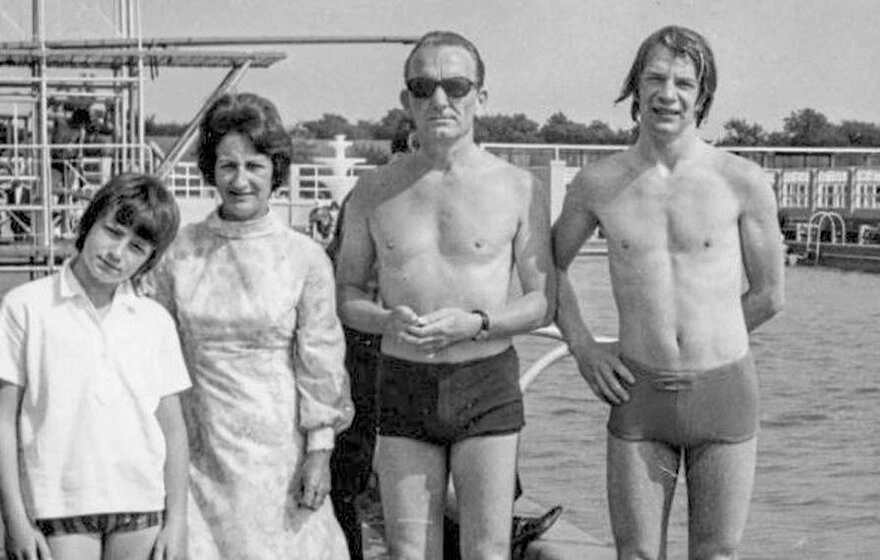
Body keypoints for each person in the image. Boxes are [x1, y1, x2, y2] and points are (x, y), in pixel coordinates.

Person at [553, 25, 785, 559]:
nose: (668, 93)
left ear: (702, 96)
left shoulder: (742, 180)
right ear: (635, 89)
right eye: (655, 78)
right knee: (634, 555)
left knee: (716, 554)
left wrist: (707, 337)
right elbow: (547, 269)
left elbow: (770, 294)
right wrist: (584, 348)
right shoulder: (598, 184)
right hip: (638, 391)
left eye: (684, 82)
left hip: (723, 389)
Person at [336, 30, 555, 560]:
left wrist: (477, 323)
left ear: (482, 96)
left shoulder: (519, 187)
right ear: (406, 99)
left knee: (487, 549)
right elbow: (346, 295)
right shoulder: (372, 191)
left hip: (485, 379)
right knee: (411, 549)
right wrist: (384, 320)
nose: (440, 100)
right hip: (403, 381)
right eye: (424, 85)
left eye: (456, 85)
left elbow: (542, 300)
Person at [147, 92, 354, 559]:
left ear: (275, 171)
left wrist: (319, 452)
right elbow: (151, 354)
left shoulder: (305, 258)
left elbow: (321, 365)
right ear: (211, 171)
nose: (240, 180)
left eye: (255, 166)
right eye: (227, 166)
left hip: (279, 457)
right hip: (197, 451)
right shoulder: (178, 253)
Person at [0, 173, 189, 560]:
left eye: (136, 246)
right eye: (112, 231)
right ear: (87, 224)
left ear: (149, 260)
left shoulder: (153, 320)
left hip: (141, 507)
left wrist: (177, 519)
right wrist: (15, 518)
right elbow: (3, 421)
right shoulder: (26, 307)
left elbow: (173, 428)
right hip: (57, 505)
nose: (117, 252)